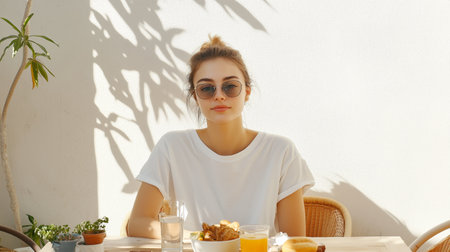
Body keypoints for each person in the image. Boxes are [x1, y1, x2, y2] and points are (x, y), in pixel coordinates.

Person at [127, 35, 315, 238]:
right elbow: (138, 223)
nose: (219, 95)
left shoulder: (281, 151)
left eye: (230, 86)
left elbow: (294, 240)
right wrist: (204, 239)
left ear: (247, 92)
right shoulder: (172, 147)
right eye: (207, 88)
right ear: (195, 97)